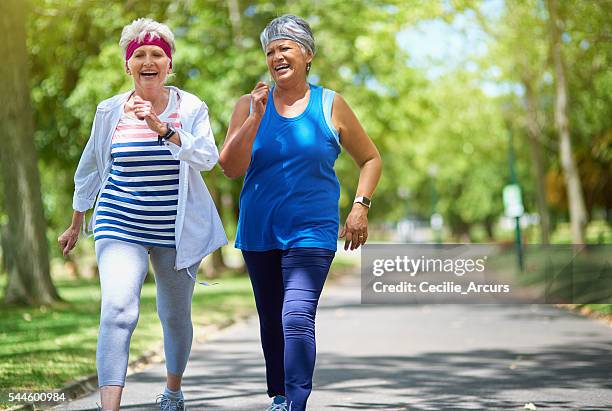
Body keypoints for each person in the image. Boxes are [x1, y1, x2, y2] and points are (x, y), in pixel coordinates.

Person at [57, 18, 226, 411]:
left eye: (157, 55)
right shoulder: (109, 111)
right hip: (119, 221)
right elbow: (92, 168)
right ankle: (109, 408)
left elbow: (207, 158)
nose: (148, 61)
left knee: (175, 317)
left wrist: (161, 128)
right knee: (118, 310)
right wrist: (77, 221)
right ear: (127, 65)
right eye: (139, 55)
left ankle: (173, 390)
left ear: (169, 64)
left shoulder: (191, 107)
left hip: (175, 228)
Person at [219, 14, 382, 411]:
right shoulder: (248, 104)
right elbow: (229, 167)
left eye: (285, 48)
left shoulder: (331, 104)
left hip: (312, 231)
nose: (276, 56)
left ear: (307, 54)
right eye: (270, 51)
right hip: (259, 230)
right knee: (272, 321)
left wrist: (360, 207)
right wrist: (256, 118)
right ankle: (279, 396)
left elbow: (371, 158)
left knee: (295, 316)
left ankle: (295, 402)